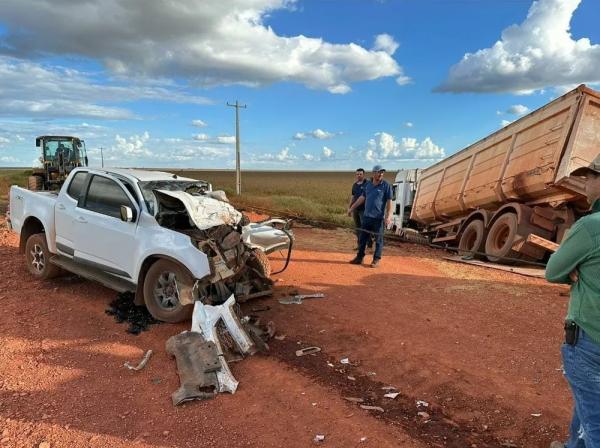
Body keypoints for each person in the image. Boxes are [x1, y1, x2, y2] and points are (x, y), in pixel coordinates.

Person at [546, 155, 600, 448]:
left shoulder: (591, 226)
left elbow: (553, 271)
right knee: (589, 399)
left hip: (591, 337)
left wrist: (575, 269)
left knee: (596, 423)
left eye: (591, 176)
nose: (586, 182)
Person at [347, 164, 393, 268]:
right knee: (363, 238)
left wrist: (389, 217)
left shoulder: (386, 185)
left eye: (382, 172)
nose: (381, 174)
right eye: (379, 172)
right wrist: (351, 208)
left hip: (378, 218)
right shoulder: (368, 185)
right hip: (367, 217)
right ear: (374, 173)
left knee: (379, 240)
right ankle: (359, 258)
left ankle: (376, 259)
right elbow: (361, 198)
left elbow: (389, 202)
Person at [347, 168, 371, 249]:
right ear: (355, 175)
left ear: (363, 175)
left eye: (360, 174)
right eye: (357, 174)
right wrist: (349, 208)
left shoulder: (367, 184)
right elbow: (353, 197)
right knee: (357, 228)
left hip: (364, 209)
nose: (359, 175)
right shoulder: (355, 185)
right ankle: (360, 245)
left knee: (364, 227)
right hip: (355, 209)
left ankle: (369, 242)